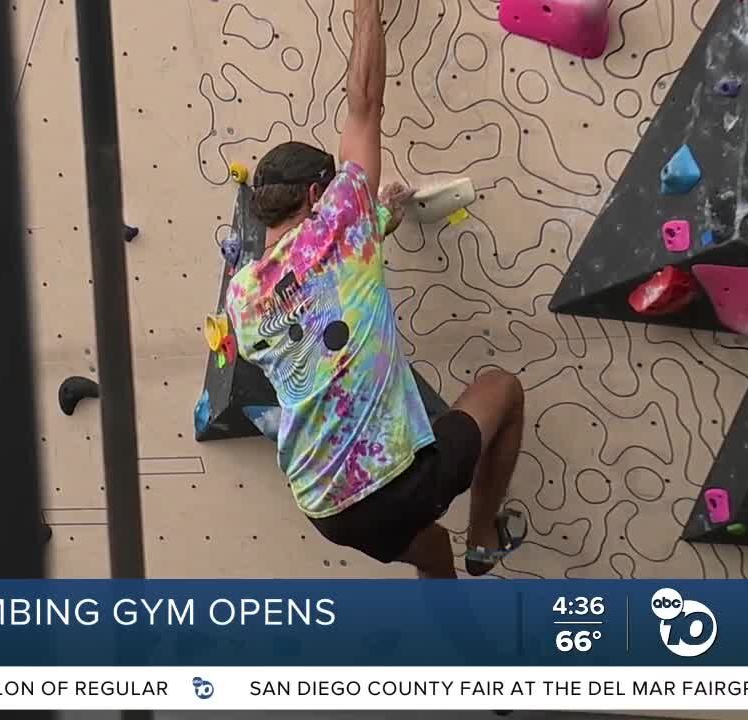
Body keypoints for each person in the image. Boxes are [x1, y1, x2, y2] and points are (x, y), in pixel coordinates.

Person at [224, 0, 526, 579]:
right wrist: (367, 12)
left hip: (324, 504)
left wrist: (378, 218)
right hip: (393, 482)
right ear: (318, 195)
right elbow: (365, 104)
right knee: (502, 389)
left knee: (432, 552)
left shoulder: (242, 297)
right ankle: (485, 536)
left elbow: (312, 287)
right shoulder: (339, 223)